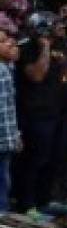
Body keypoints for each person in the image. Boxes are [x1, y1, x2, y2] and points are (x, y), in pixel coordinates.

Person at [12, 28, 67, 210]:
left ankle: (44, 200)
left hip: (57, 111)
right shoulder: (26, 48)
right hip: (35, 114)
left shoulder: (59, 45)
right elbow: (37, 75)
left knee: (54, 159)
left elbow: (65, 75)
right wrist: (45, 48)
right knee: (35, 160)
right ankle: (26, 204)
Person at [0, 32, 21, 211]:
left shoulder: (6, 68)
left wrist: (15, 136)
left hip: (6, 141)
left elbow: (8, 108)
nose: (10, 43)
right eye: (3, 41)